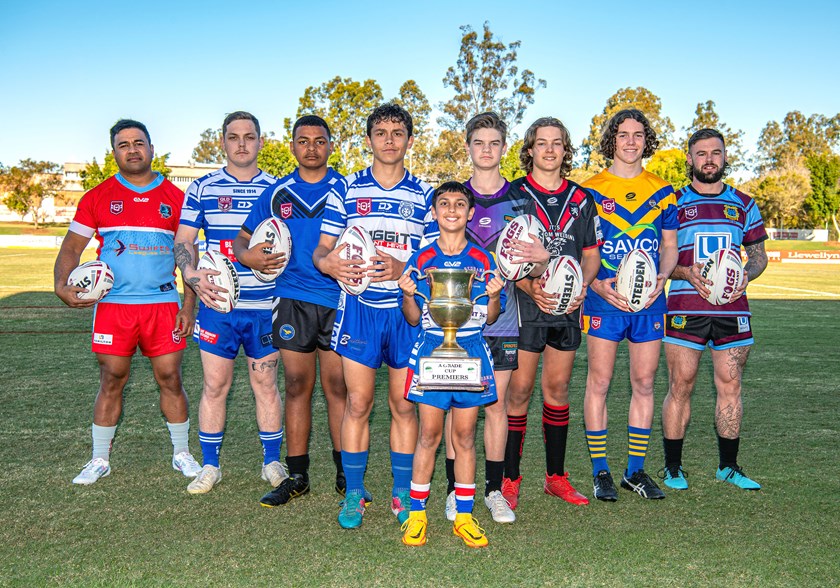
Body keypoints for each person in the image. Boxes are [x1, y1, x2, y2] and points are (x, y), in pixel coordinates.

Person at [55, 119, 200, 485]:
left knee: (170, 377)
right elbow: (72, 246)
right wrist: (61, 283)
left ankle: (181, 452)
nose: (132, 149)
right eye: (124, 144)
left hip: (163, 304)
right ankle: (99, 459)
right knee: (112, 378)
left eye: (139, 142)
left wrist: (188, 305)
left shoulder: (176, 197)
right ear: (114, 152)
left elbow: (188, 253)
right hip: (114, 307)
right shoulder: (97, 196)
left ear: (152, 149)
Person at [313, 102, 437, 529]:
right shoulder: (346, 190)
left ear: (409, 140)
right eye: (380, 132)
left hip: (403, 313)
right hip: (361, 311)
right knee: (358, 403)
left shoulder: (423, 195)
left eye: (397, 132)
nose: (389, 140)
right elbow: (321, 251)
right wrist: (330, 266)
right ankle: (354, 492)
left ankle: (401, 491)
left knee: (404, 405)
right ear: (368, 140)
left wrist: (406, 270)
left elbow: (434, 258)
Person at [233, 115, 348, 506]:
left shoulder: (345, 188)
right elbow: (241, 240)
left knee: (338, 389)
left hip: (337, 299)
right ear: (292, 146)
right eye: (303, 141)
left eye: (319, 141)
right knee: (298, 387)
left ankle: (345, 474)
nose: (311, 148)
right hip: (292, 298)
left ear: (331, 146)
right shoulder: (277, 192)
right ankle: (297, 475)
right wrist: (250, 259)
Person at [173, 111, 285, 494]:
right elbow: (184, 240)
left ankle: (272, 462)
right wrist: (190, 275)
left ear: (260, 142)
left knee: (266, 384)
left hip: (265, 307)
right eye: (234, 137)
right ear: (222, 141)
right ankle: (210, 466)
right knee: (214, 385)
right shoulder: (202, 187)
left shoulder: (277, 189)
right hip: (217, 307)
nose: (241, 144)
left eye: (249, 137)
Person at [501, 117, 602, 509]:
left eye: (556, 143)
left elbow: (590, 256)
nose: (548, 150)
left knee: (557, 390)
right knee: (520, 391)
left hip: (567, 309)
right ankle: (510, 478)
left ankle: (555, 477)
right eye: (540, 143)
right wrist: (529, 287)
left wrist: (579, 287)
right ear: (529, 149)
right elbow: (504, 258)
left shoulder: (582, 198)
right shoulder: (513, 194)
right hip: (525, 306)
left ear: (565, 149)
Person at [398, 181, 505, 548]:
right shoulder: (422, 258)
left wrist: (493, 296)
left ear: (471, 212)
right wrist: (407, 294)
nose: (452, 209)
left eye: (460, 203)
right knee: (428, 435)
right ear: (434, 212)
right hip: (432, 348)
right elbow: (412, 318)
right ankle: (416, 515)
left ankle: (463, 516)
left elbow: (491, 317)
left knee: (463, 437)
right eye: (444, 203)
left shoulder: (483, 259)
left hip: (470, 349)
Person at [661, 128, 768, 491]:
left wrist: (746, 276)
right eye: (701, 153)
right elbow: (663, 257)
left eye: (716, 153)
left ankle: (729, 466)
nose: (709, 159)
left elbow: (758, 255)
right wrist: (685, 272)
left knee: (731, 385)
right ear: (690, 159)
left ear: (725, 157)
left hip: (733, 309)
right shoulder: (672, 202)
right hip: (684, 306)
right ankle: (673, 467)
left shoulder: (744, 203)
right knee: (681, 385)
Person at [580, 109, 678, 501]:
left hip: (649, 301)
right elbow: (583, 250)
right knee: (599, 382)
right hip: (604, 299)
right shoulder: (589, 190)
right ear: (612, 140)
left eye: (639, 135)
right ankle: (600, 470)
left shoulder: (663, 190)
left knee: (644, 382)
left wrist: (660, 279)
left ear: (646, 140)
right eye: (624, 135)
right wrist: (598, 285)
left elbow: (669, 247)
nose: (631, 141)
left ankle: (635, 471)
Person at [441, 112, 523, 524]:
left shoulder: (522, 201)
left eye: (494, 143)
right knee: (456, 407)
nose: (486, 150)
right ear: (468, 147)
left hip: (503, 320)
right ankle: (456, 492)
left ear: (503, 148)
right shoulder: (453, 201)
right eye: (479, 143)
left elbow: (533, 263)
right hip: (455, 323)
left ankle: (493, 491)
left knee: (496, 405)